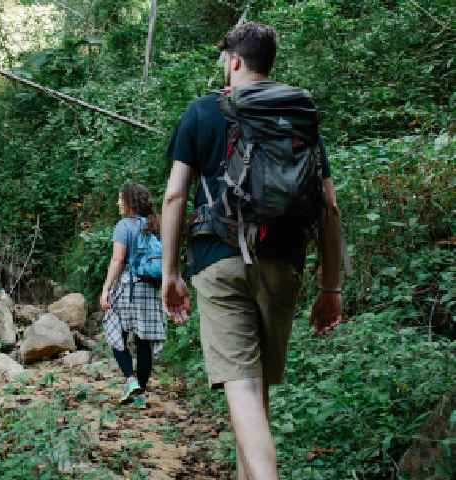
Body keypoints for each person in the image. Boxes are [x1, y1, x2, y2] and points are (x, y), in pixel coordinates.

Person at [160, 22, 343, 480]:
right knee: (257, 394)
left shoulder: (202, 111)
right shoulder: (299, 119)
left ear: (235, 61)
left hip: (219, 261)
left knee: (241, 389)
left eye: (226, 60)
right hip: (284, 263)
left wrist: (169, 273)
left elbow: (174, 197)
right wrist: (331, 286)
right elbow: (330, 208)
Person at [100, 183, 166, 405]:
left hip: (129, 286)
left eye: (120, 199)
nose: (118, 202)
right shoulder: (154, 224)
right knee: (143, 340)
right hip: (150, 287)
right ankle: (141, 391)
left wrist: (106, 288)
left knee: (114, 329)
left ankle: (131, 380)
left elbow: (118, 260)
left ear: (129, 202)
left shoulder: (124, 226)